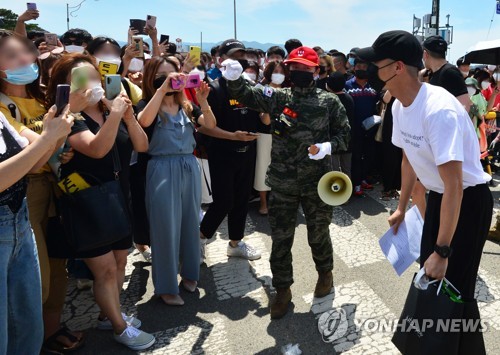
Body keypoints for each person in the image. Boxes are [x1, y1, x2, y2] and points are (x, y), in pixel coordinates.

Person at [358, 31, 492, 353]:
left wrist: (443, 250)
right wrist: (403, 208)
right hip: (440, 199)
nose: (371, 73)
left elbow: (455, 186)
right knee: (434, 282)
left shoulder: (438, 110)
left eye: (376, 65)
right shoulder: (403, 107)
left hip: (466, 202)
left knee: (453, 284)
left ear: (397, 67)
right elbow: (408, 159)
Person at [223, 46, 350, 319]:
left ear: (316, 71)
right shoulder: (278, 98)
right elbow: (245, 94)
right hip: (283, 182)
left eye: (305, 68)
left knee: (319, 234)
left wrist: (328, 146)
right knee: (281, 239)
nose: (300, 72)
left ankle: (325, 274)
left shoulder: (329, 102)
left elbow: (346, 136)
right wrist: (234, 78)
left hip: (318, 183)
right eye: (295, 68)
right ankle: (282, 289)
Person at [48, 54, 155, 350]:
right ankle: (120, 328)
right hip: (87, 204)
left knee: (120, 261)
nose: (91, 84)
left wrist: (126, 116)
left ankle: (110, 314)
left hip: (118, 198)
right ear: (66, 87)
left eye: (94, 76)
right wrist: (116, 115)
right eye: (80, 79)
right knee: (105, 269)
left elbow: (142, 145)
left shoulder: (111, 109)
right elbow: (97, 149)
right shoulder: (67, 117)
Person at [0, 30, 87, 353]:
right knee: (33, 278)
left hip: (54, 188)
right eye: (12, 56)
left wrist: (58, 149)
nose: (25, 60)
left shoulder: (41, 98)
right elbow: (37, 146)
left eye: (26, 52)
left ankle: (50, 331)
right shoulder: (3, 106)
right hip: (25, 194)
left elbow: (51, 145)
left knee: (57, 266)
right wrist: (54, 141)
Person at [137, 56, 216, 306]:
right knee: (164, 228)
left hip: (188, 167)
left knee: (190, 222)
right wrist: (162, 90)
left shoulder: (186, 106)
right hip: (161, 168)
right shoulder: (147, 104)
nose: (170, 79)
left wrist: (203, 102)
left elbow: (211, 125)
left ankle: (191, 273)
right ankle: (166, 286)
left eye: (173, 75)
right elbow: (144, 122)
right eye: (162, 75)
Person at [0, 103, 73, 355]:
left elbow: (31, 164)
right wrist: (48, 138)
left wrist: (53, 135)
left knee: (27, 324)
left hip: (19, 219)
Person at [197, 39, 265, 263]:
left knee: (242, 200)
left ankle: (235, 243)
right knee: (224, 201)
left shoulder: (252, 89)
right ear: (221, 61)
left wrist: (266, 106)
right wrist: (232, 136)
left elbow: (264, 121)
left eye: (242, 57)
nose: (239, 61)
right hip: (222, 153)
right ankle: (200, 238)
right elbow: (207, 126)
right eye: (233, 57)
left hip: (248, 151)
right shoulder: (214, 89)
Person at [255, 61, 290, 215]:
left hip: (286, 136)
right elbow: (265, 120)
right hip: (265, 135)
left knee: (283, 169)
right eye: (276, 71)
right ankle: (263, 203)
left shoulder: (289, 91)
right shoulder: (261, 90)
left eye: (282, 71)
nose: (279, 74)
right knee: (263, 167)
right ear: (269, 72)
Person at [345, 58, 379, 196]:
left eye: (364, 66)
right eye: (358, 66)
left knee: (369, 155)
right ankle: (356, 184)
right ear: (354, 68)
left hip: (371, 128)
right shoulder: (346, 85)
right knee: (356, 157)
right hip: (354, 129)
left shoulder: (374, 86)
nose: (361, 69)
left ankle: (363, 178)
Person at [326, 72, 354, 178]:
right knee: (347, 170)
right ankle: (347, 193)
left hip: (333, 141)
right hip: (348, 140)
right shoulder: (349, 98)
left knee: (334, 171)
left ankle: (336, 194)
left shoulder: (328, 99)